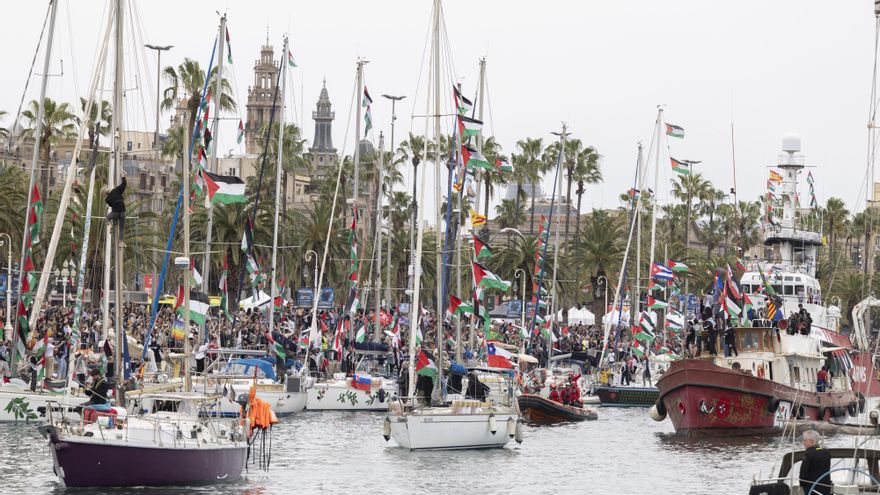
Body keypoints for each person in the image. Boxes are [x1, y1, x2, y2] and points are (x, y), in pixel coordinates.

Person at [799, 430, 831, 495]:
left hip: (811, 488)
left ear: (811, 441)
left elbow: (803, 474)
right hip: (825, 487)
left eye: (805, 440)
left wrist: (801, 484)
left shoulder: (808, 454)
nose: (803, 443)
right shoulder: (826, 453)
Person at [104, 175, 127, 248]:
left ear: (105, 194)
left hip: (115, 213)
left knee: (107, 218)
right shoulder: (117, 190)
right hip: (123, 211)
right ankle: (121, 242)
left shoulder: (107, 199)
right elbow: (124, 184)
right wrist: (123, 177)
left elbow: (111, 205)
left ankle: (110, 225)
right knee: (122, 227)